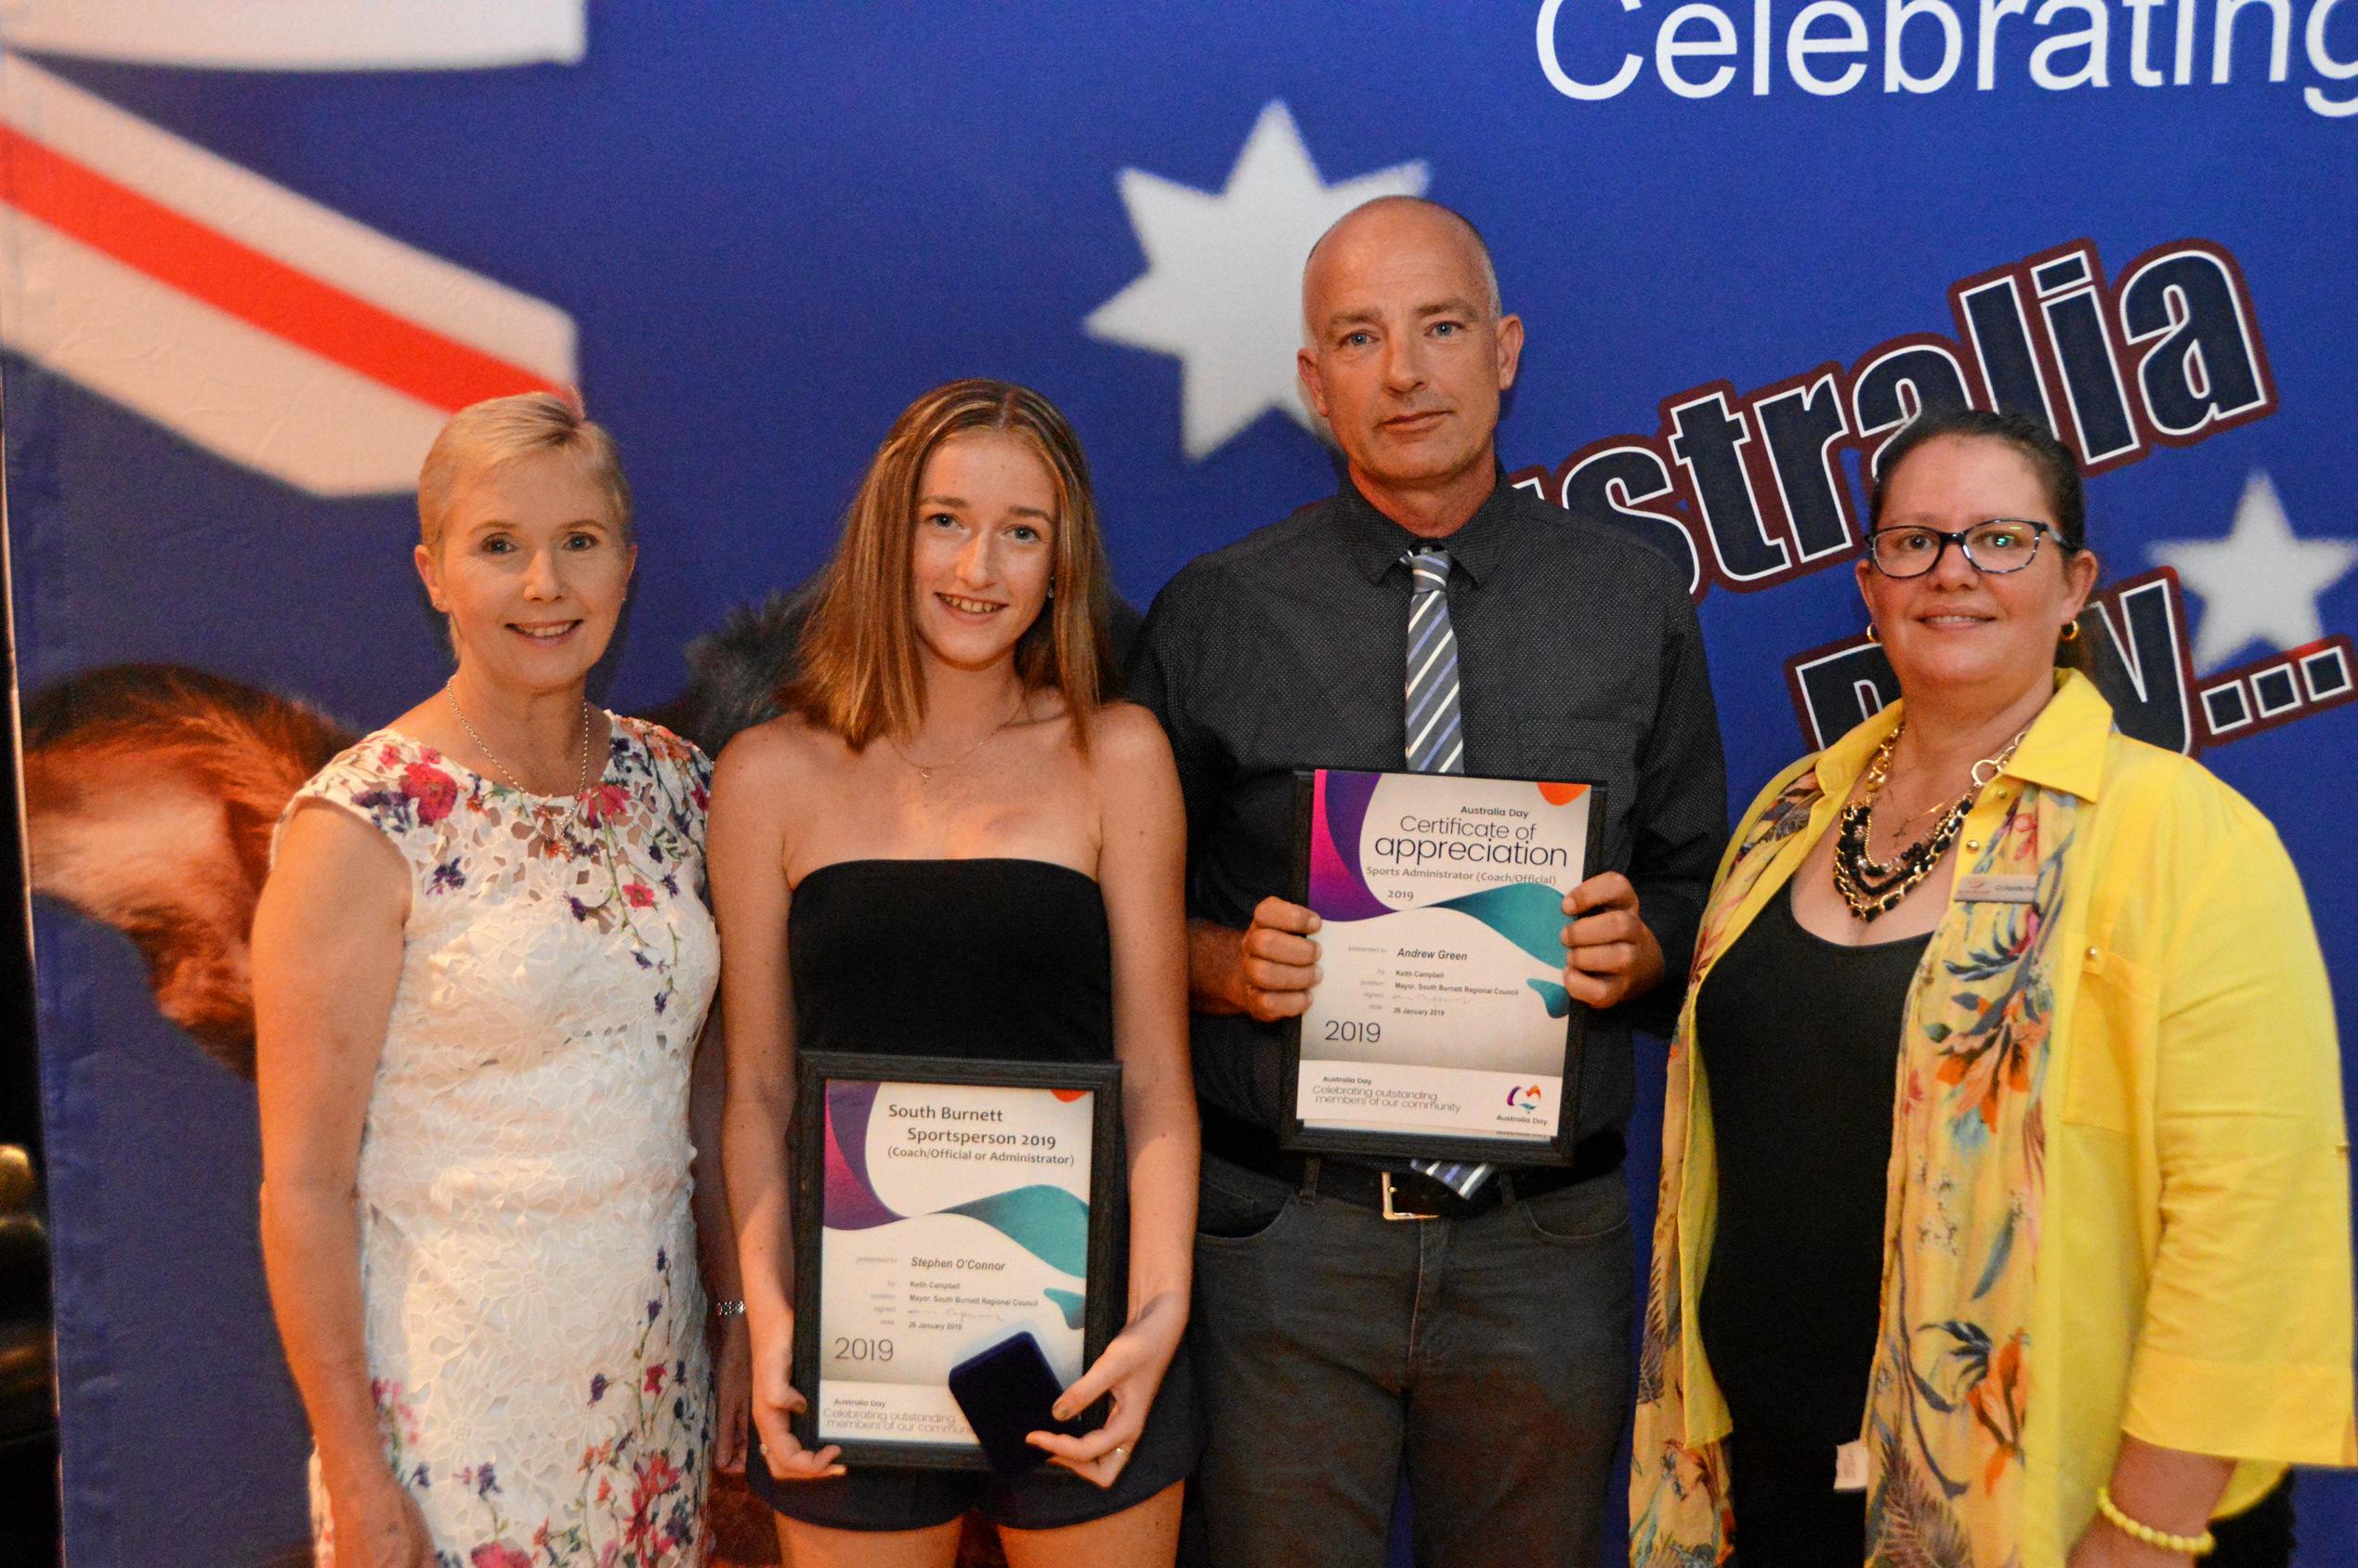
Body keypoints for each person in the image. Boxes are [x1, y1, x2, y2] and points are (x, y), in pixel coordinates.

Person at [1630, 406, 2356, 1568]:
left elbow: (2253, 1222)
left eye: (2000, 540)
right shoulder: (1783, 818)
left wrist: (2146, 1529)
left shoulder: (2182, 836)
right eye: (1915, 541)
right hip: (1771, 1493)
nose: (1953, 571)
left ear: (2074, 584)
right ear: (1871, 587)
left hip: (2065, 1515)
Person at [1125, 196, 1727, 1568]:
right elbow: (1110, 915)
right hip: (1287, 1249)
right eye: (1359, 336)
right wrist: (1220, 962)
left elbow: (1703, 897)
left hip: (1541, 1248)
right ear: (1311, 381)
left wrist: (1639, 952)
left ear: (1503, 349)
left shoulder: (1629, 602)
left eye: (1439, 326)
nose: (1404, 371)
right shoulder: (1215, 612)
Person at [711, 378, 1199, 1566]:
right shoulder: (769, 772)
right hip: (854, 1342)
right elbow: (759, 1094)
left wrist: (1159, 1314)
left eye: (1021, 531)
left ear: (1060, 562)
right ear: (891, 532)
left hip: (1087, 1337)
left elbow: (1157, 1089)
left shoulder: (1117, 752)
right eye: (946, 520)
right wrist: (770, 1316)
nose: (979, 565)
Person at [253, 392, 745, 1566]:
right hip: (449, 1425)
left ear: (626, 564)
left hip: (650, 1406)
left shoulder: (683, 787)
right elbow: (304, 1188)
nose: (545, 586)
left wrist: (729, 1319)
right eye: (499, 546)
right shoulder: (361, 823)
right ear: (433, 571)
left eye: (579, 542)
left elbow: (711, 1085)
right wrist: (359, 1473)